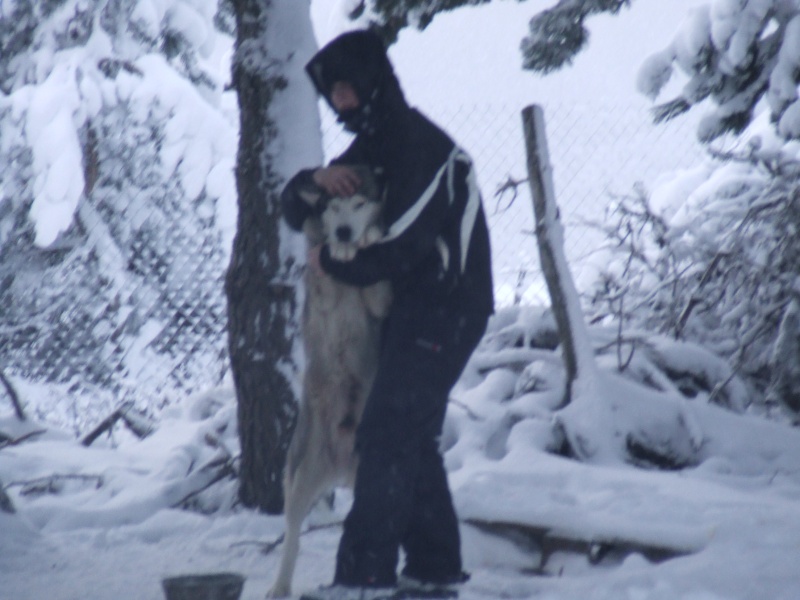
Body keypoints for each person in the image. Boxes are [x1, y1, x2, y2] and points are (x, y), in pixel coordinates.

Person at [281, 29, 494, 600]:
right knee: (410, 434)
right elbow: (295, 208)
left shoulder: (421, 148)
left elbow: (399, 247)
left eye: (348, 89)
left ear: (373, 83)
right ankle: (433, 569)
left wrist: (330, 262)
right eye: (334, 96)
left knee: (385, 429)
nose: (341, 103)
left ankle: (362, 577)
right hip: (409, 309)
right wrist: (312, 182)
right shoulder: (371, 146)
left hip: (449, 305)